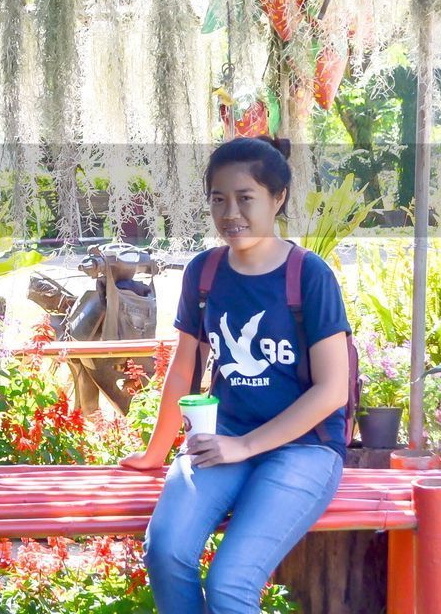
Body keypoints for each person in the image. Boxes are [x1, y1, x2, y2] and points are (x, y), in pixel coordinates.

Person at [120, 136, 351, 614]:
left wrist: (245, 446)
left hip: (303, 450)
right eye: (218, 199)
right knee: (166, 551)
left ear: (278, 198)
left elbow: (333, 390)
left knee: (229, 587)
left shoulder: (309, 275)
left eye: (246, 198)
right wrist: (155, 453)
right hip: (223, 440)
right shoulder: (204, 272)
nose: (231, 213)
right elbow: (185, 367)